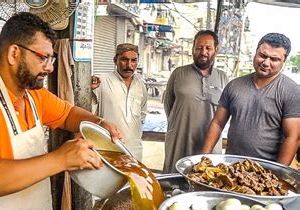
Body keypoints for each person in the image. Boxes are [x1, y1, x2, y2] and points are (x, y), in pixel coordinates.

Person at [0, 12, 123, 210]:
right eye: (43, 58)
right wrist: (60, 159)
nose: (50, 67)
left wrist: (99, 123)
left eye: (52, 59)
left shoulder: (32, 95)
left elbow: (69, 114)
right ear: (13, 54)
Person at [202, 33, 300, 164]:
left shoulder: (291, 91)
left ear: (284, 61)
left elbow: (292, 138)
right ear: (255, 53)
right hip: (232, 167)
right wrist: (202, 158)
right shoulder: (234, 85)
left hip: (266, 172)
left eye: (274, 59)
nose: (266, 63)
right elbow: (217, 123)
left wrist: (277, 175)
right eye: (262, 56)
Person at [163, 30, 228, 173]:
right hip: (179, 140)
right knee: (174, 181)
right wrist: (180, 125)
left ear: (215, 50)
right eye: (199, 48)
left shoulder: (223, 78)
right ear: (193, 49)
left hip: (210, 146)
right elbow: (168, 105)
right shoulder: (178, 74)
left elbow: (225, 113)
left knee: (207, 182)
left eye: (208, 48)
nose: (203, 52)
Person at [91, 43, 148, 161]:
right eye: (124, 60)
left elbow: (142, 114)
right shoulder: (102, 82)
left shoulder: (140, 85)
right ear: (115, 60)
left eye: (134, 60)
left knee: (134, 179)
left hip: (135, 150)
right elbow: (90, 114)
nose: (129, 65)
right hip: (108, 148)